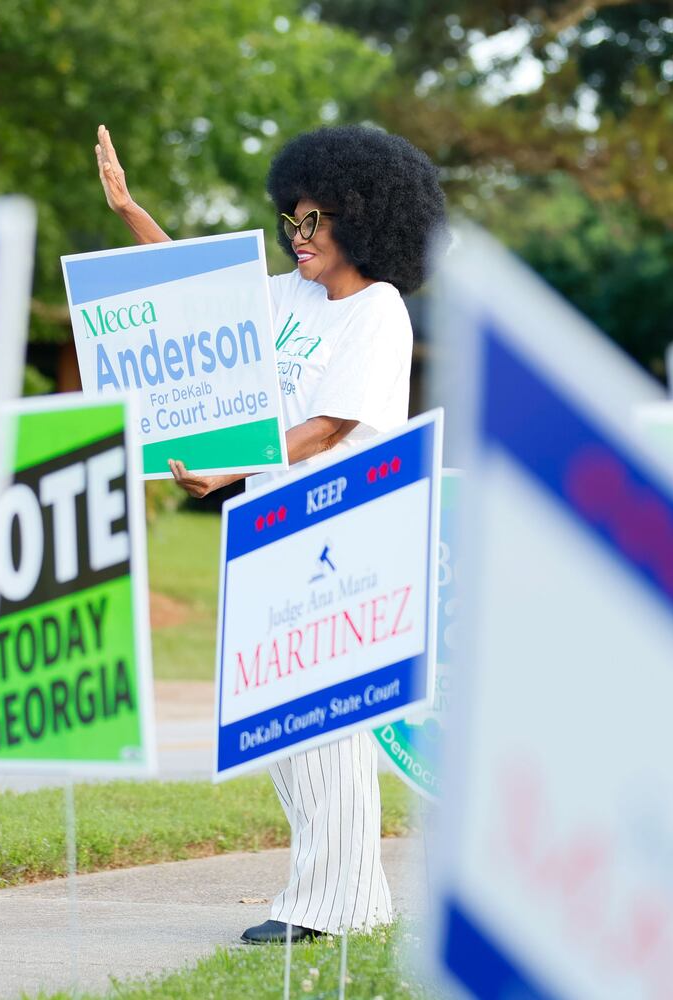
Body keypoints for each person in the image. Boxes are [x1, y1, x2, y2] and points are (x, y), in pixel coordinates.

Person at [94, 122, 446, 944]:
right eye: (293, 219)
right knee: (283, 721)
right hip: (271, 525)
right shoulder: (290, 297)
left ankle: (334, 905)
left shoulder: (379, 311)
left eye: (315, 221)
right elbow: (194, 301)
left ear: (363, 220)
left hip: (339, 527)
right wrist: (130, 210)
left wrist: (230, 464)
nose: (299, 236)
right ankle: (338, 896)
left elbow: (330, 426)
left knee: (325, 721)